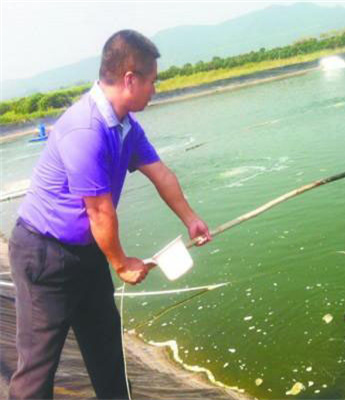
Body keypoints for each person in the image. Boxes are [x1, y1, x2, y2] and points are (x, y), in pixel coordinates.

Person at [8, 30, 212, 399]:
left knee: (107, 351)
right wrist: (120, 264)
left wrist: (190, 217)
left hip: (86, 252)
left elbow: (161, 173)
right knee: (37, 369)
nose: (155, 90)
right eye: (152, 81)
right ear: (130, 79)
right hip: (44, 255)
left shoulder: (127, 128)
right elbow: (100, 211)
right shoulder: (85, 129)